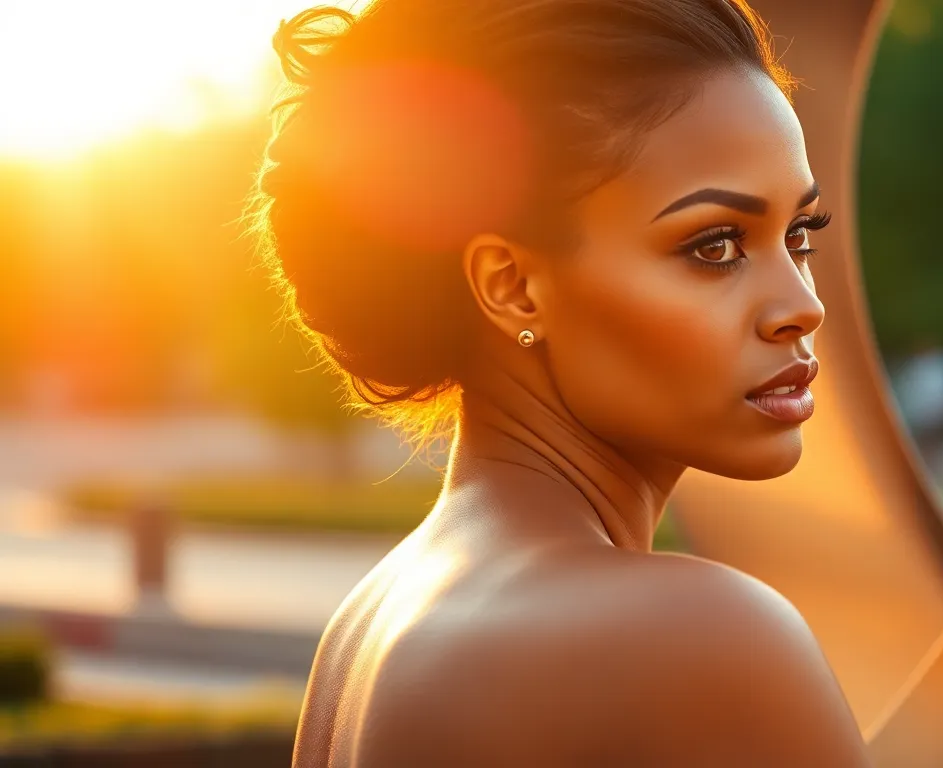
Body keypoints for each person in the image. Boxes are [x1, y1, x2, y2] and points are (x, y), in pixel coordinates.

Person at [252, 1, 871, 765]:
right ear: (512, 286)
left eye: (799, 234)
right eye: (715, 246)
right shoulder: (702, 639)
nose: (801, 308)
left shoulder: (365, 630)